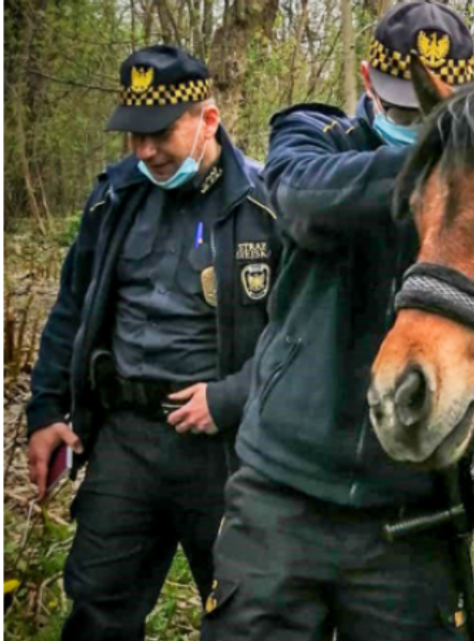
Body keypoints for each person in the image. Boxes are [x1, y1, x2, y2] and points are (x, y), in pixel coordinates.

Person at [200, 3, 474, 639]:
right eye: (399, 103)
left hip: (410, 505)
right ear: (366, 78)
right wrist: (454, 154)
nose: (412, 120)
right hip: (280, 491)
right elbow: (299, 198)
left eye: (430, 111)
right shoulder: (313, 137)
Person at [24, 45, 278, 640]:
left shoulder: (267, 205)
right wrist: (45, 410)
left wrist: (231, 398)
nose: (144, 150)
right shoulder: (113, 198)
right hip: (125, 442)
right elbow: (72, 310)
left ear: (208, 120)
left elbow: (297, 335)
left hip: (226, 453)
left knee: (247, 618)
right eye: (133, 134)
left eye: (159, 133)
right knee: (96, 610)